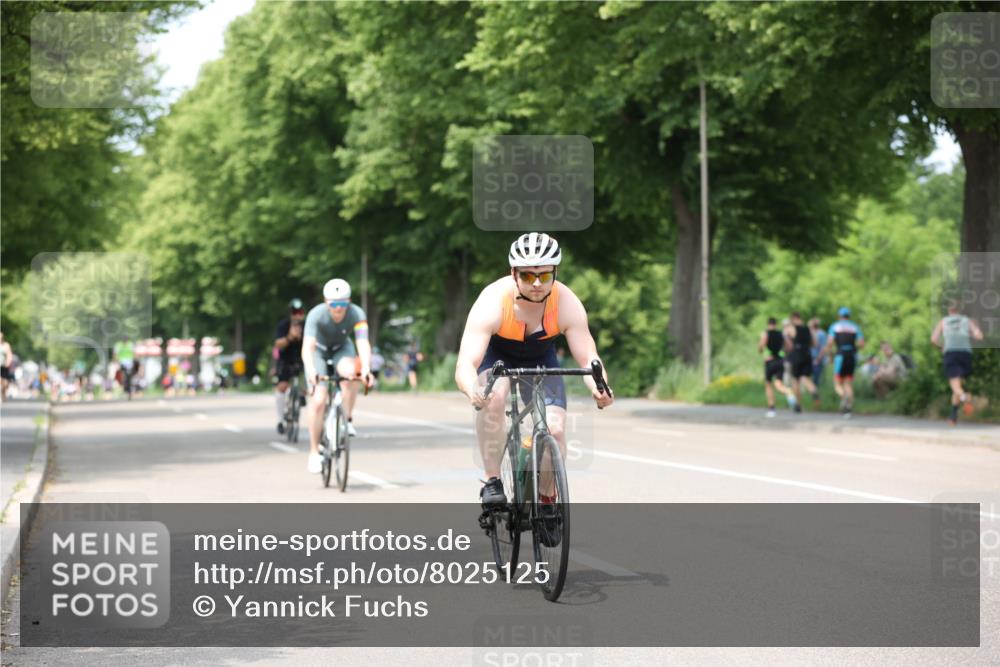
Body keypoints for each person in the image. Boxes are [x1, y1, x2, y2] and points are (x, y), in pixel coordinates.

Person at [455, 232, 613, 507]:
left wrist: (600, 388)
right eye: (528, 276)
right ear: (514, 274)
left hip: (541, 358)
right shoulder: (493, 300)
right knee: (494, 399)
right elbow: (465, 364)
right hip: (498, 357)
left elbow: (589, 358)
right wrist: (473, 390)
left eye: (545, 275)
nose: (537, 283)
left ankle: (548, 501)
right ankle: (492, 481)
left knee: (556, 430)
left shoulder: (566, 302)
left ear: (555, 274)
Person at [301, 279, 374, 473]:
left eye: (342, 304)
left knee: (351, 375)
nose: (338, 309)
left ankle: (346, 420)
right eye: (334, 304)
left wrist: (366, 368)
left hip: (342, 348)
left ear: (348, 302)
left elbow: (362, 342)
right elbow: (308, 347)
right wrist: (311, 371)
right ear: (326, 302)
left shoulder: (357, 314)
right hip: (319, 352)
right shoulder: (315, 314)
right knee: (319, 400)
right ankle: (314, 452)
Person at [931, 301, 985, 425]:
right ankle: (953, 417)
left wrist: (942, 346)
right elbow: (979, 336)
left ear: (949, 310)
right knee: (957, 387)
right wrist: (970, 334)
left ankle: (965, 397)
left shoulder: (943, 321)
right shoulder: (967, 320)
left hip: (951, 353)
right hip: (965, 354)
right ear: (960, 310)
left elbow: (933, 340)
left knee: (955, 387)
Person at [824, 307, 865, 418]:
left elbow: (830, 343)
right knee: (848, 383)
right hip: (851, 355)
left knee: (837, 383)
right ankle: (848, 409)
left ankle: (844, 396)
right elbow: (861, 344)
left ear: (839, 316)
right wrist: (854, 348)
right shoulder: (855, 326)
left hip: (840, 356)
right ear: (849, 316)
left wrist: (830, 355)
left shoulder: (835, 326)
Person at [273, 298, 306, 434]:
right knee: (282, 386)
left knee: (310, 382)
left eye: (300, 312)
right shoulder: (283, 325)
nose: (297, 315)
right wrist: (290, 337)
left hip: (303, 359)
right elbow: (278, 344)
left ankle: (301, 395)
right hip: (286, 360)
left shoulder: (308, 325)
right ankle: (280, 420)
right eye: (295, 312)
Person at [758, 318, 797, 418]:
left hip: (770, 361)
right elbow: (790, 346)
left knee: (768, 384)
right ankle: (789, 392)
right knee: (779, 384)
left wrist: (761, 350)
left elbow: (761, 346)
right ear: (776, 324)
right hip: (780, 360)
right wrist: (783, 352)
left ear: (768, 324)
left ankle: (771, 408)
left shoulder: (765, 333)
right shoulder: (781, 334)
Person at [785, 312, 819, 411]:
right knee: (805, 377)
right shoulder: (808, 329)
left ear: (793, 319)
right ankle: (813, 390)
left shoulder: (791, 328)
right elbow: (815, 344)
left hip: (796, 354)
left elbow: (787, 343)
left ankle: (798, 404)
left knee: (796, 380)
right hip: (807, 354)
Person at [808, 317, 827, 393]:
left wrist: (818, 359)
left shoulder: (821, 334)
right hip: (809, 358)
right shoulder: (809, 333)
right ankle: (812, 391)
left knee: (816, 378)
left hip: (817, 358)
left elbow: (823, 348)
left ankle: (815, 393)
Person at [0, 331, 13, 401]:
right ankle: (1, 394)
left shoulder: (6, 345)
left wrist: (8, 362)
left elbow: (9, 354)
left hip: (4, 366)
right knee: (0, 380)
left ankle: (3, 392)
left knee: (5, 383)